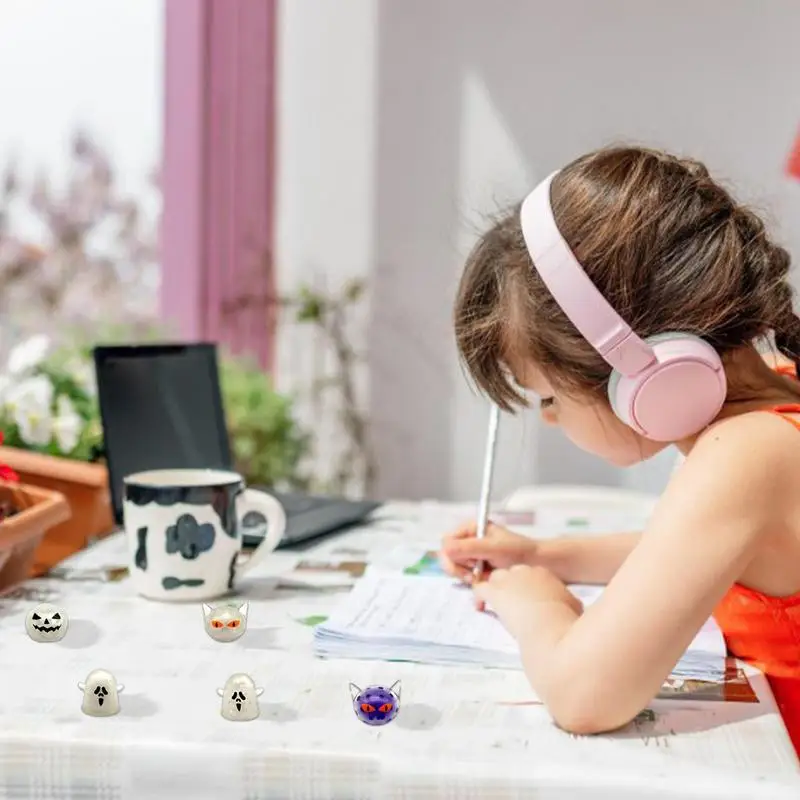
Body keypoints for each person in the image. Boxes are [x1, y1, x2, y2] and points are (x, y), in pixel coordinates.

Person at [440, 145, 800, 754]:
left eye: (546, 398)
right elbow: (699, 550)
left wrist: (538, 606)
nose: (550, 421)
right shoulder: (778, 396)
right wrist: (544, 555)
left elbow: (585, 699)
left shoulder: (748, 454)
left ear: (643, 372)